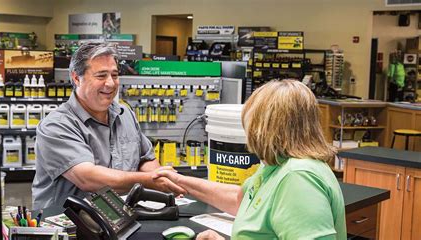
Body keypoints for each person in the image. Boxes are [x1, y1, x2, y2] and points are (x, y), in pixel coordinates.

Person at [155, 80, 347, 239]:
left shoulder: (299, 178)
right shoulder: (278, 165)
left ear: (265, 128)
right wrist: (180, 180)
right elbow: (242, 200)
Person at [32, 42, 185, 210]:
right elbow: (89, 179)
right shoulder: (57, 125)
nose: (111, 84)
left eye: (115, 75)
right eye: (101, 76)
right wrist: (152, 180)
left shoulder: (125, 114)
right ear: (77, 78)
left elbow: (145, 158)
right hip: (69, 225)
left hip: (121, 217)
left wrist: (162, 181)